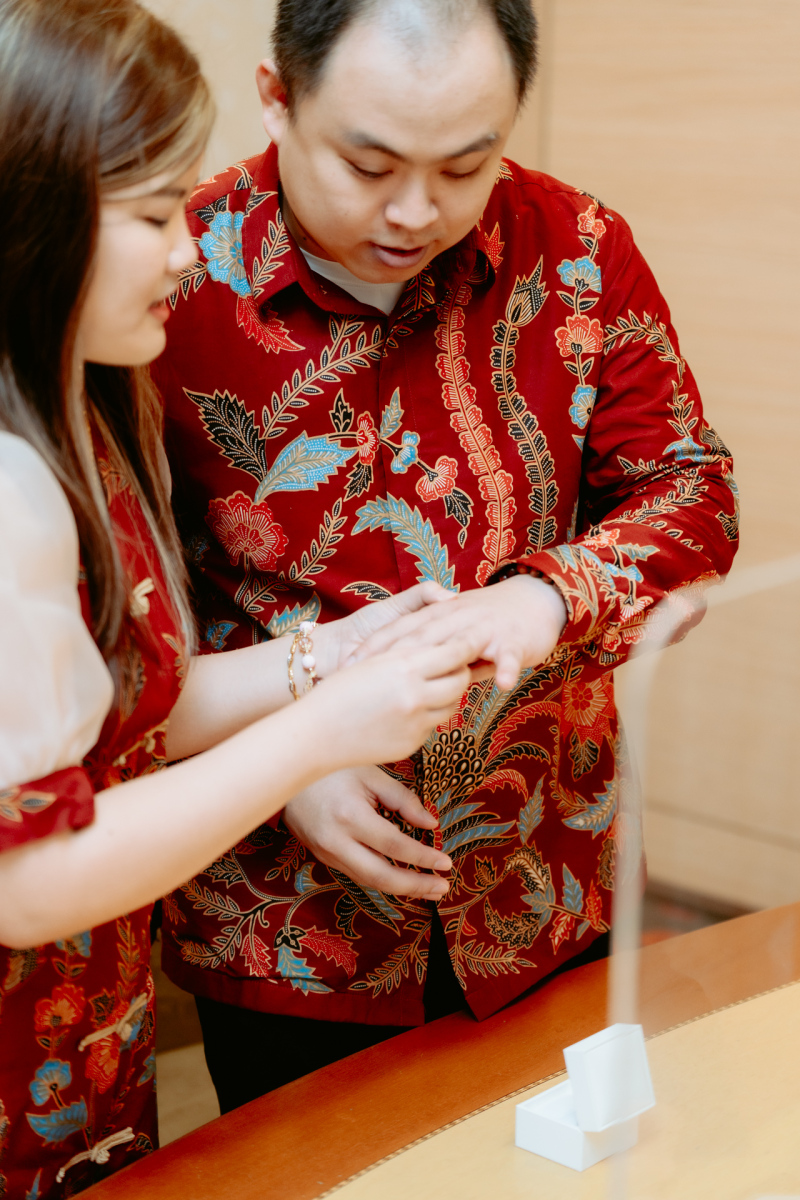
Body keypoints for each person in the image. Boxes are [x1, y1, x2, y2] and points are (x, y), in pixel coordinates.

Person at [154, 0, 740, 1114]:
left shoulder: (579, 248)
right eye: (367, 165)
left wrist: (549, 598)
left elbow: (690, 490)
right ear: (278, 98)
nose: (414, 212)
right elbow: (135, 595)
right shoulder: (173, 275)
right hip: (282, 910)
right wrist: (284, 760)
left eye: (465, 166)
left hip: (546, 864)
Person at [0, 1, 481, 1195]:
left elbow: (116, 718)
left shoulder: (83, 408)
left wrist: (328, 655)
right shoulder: (9, 489)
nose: (186, 252)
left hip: (80, 1041)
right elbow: (28, 879)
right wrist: (317, 737)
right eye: (154, 214)